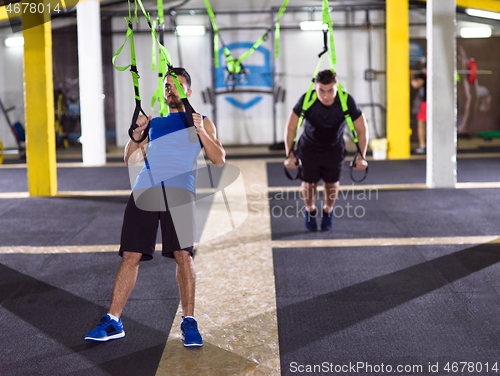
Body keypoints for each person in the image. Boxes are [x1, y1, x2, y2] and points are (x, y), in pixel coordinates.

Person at [84, 68, 226, 347]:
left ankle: (189, 321)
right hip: (145, 190)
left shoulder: (202, 121)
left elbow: (219, 159)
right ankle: (113, 320)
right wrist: (137, 134)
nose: (169, 89)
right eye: (166, 85)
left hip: (179, 192)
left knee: (183, 254)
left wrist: (200, 131)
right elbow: (131, 159)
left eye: (175, 85)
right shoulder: (155, 122)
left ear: (188, 91)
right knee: (130, 255)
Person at [284, 70, 368, 232]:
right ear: (315, 87)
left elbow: (362, 129)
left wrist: (361, 155)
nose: (325, 95)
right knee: (309, 184)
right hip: (309, 148)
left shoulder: (346, 100)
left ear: (337, 87)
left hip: (334, 149)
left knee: (331, 184)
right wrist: (289, 154)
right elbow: (291, 127)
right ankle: (309, 210)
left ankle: (328, 211)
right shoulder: (307, 99)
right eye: (321, 90)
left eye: (330, 91)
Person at [410, 69, 426, 154]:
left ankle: (422, 146)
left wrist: (411, 75)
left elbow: (415, 84)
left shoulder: (425, 74)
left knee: (421, 123)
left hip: (427, 103)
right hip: (439, 102)